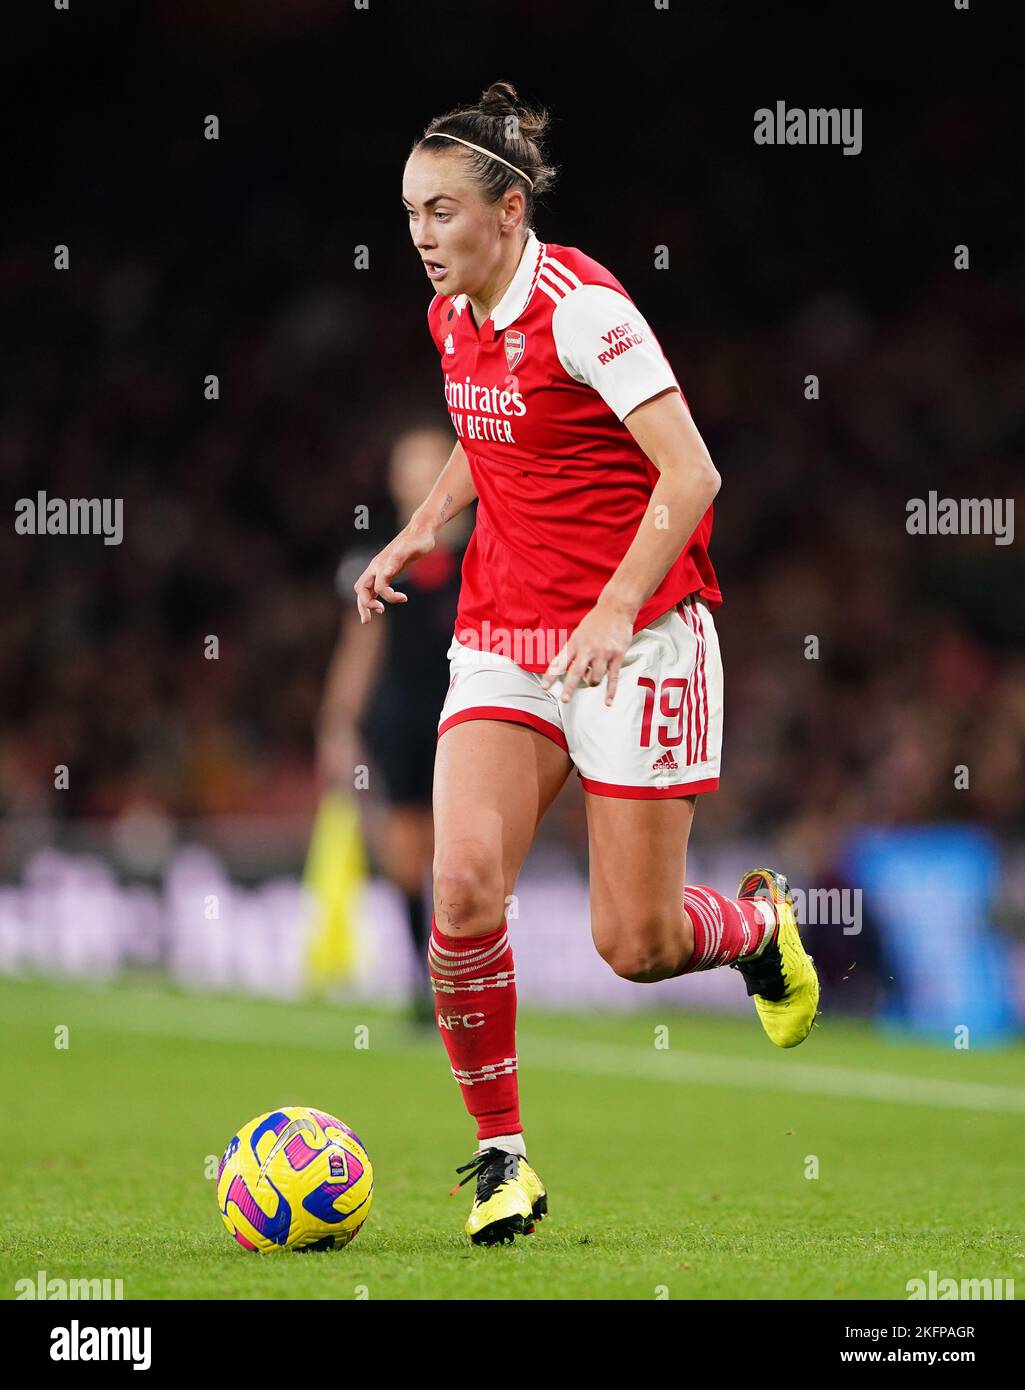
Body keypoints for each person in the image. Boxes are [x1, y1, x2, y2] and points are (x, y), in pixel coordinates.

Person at [352, 81, 820, 1246]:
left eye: (443, 212)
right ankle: (501, 1158)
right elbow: (489, 428)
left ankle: (756, 930)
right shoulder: (451, 314)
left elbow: (692, 474)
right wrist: (421, 529)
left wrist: (613, 609)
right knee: (460, 890)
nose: (421, 235)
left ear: (508, 210)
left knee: (635, 944)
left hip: (640, 632)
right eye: (410, 213)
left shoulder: (586, 311)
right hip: (505, 631)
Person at [318, 427, 468, 1026]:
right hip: (403, 720)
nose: (420, 475)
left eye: (432, 463)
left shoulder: (491, 548)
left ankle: (469, 980)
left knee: (465, 859)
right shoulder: (379, 559)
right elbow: (360, 649)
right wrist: (336, 723)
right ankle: (425, 986)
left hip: (470, 713)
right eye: (409, 466)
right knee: (409, 859)